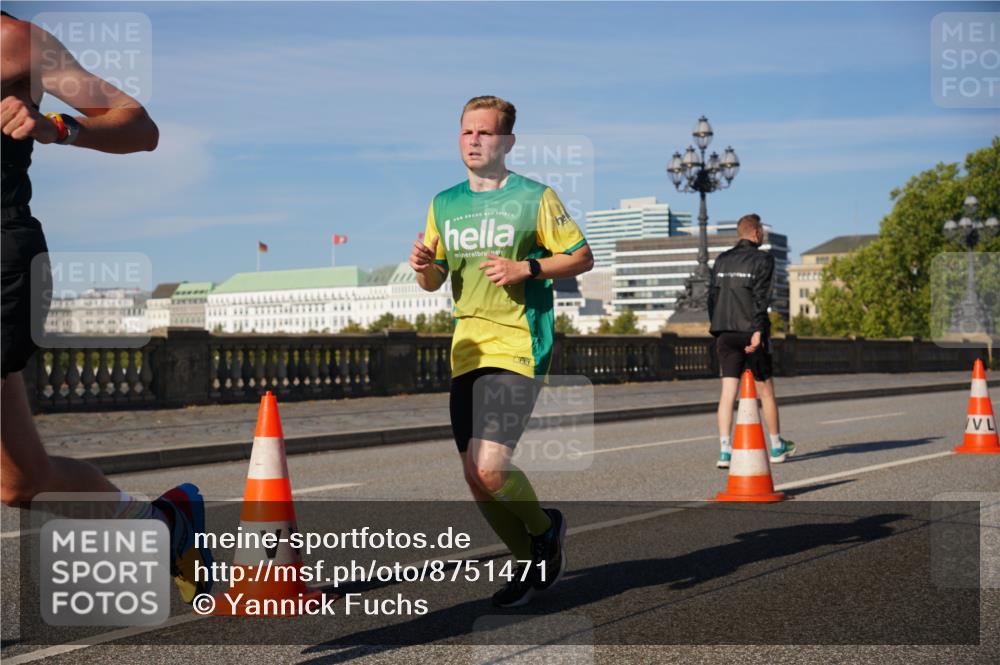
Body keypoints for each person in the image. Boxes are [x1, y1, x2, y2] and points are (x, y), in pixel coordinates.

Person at [0, 11, 212, 602]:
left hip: (1, 251)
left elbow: (140, 127)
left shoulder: (19, 43)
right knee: (23, 482)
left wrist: (56, 127)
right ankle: (159, 527)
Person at [409, 96, 593, 607]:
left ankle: (544, 528)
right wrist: (423, 263)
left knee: (491, 466)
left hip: (517, 345)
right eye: (467, 132)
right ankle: (527, 560)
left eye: (485, 133)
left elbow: (581, 256)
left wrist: (526, 269)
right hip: (467, 347)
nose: (474, 140)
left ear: (507, 141)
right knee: (474, 474)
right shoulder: (443, 203)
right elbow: (433, 281)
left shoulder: (535, 197)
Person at [707, 213, 796, 469]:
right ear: (756, 232)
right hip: (751, 331)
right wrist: (758, 331)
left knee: (727, 393)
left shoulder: (722, 260)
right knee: (765, 390)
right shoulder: (763, 259)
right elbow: (761, 297)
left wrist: (717, 330)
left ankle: (725, 451)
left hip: (725, 332)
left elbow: (711, 297)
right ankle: (777, 445)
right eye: (763, 232)